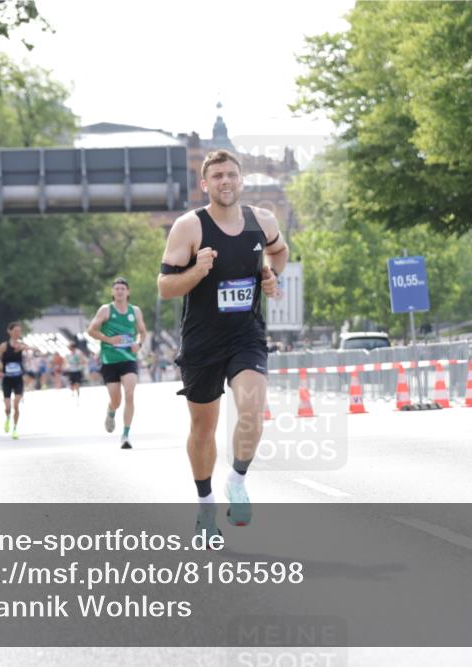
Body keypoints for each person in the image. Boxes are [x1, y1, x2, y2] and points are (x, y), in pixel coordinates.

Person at [157, 149, 288, 540]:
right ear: (205, 184)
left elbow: (279, 251)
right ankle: (205, 507)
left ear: (241, 180)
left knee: (252, 410)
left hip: (246, 335)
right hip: (202, 341)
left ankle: (237, 480)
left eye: (231, 174)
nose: (225, 181)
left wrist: (271, 275)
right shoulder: (189, 227)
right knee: (203, 428)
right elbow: (165, 287)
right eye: (217, 176)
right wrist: (197, 271)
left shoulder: (262, 221)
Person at [87, 277, 148, 450]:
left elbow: (143, 332)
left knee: (130, 394)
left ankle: (125, 435)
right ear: (113, 292)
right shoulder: (106, 310)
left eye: (122, 289)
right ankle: (111, 410)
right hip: (110, 360)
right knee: (116, 400)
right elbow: (91, 330)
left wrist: (139, 344)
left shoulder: (135, 311)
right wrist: (109, 339)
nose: (120, 291)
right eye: (117, 289)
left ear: (128, 292)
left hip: (128, 359)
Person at [0, 322, 27, 440]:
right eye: (15, 331)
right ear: (10, 331)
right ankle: (8, 418)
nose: (17, 333)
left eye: (19, 331)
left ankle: (15, 429)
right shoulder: (4, 346)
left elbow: (33, 349)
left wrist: (25, 348)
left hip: (18, 379)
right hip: (7, 380)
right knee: (8, 407)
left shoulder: (21, 345)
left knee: (16, 405)